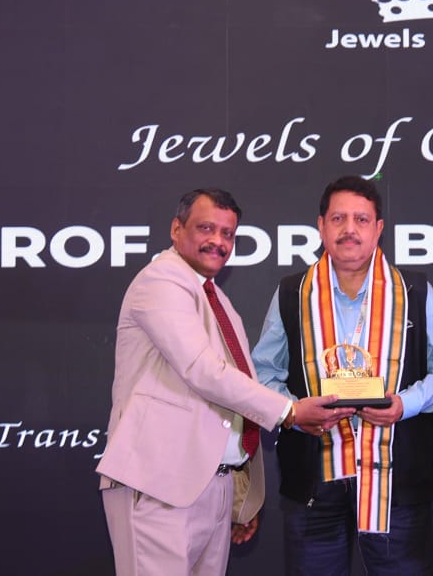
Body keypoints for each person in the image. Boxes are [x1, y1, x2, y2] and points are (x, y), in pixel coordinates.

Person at [97, 188, 345, 576]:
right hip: (159, 484)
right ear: (176, 229)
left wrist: (237, 498)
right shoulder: (160, 281)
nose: (218, 241)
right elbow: (203, 370)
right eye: (206, 228)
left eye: (228, 233)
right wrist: (289, 411)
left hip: (212, 487)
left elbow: (231, 401)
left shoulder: (216, 299)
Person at [252, 175, 433, 575]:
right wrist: (294, 412)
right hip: (315, 481)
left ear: (378, 228)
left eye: (361, 219)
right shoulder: (292, 293)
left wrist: (405, 404)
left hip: (397, 482)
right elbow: (262, 374)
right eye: (338, 218)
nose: (349, 229)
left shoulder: (414, 291)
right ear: (321, 226)